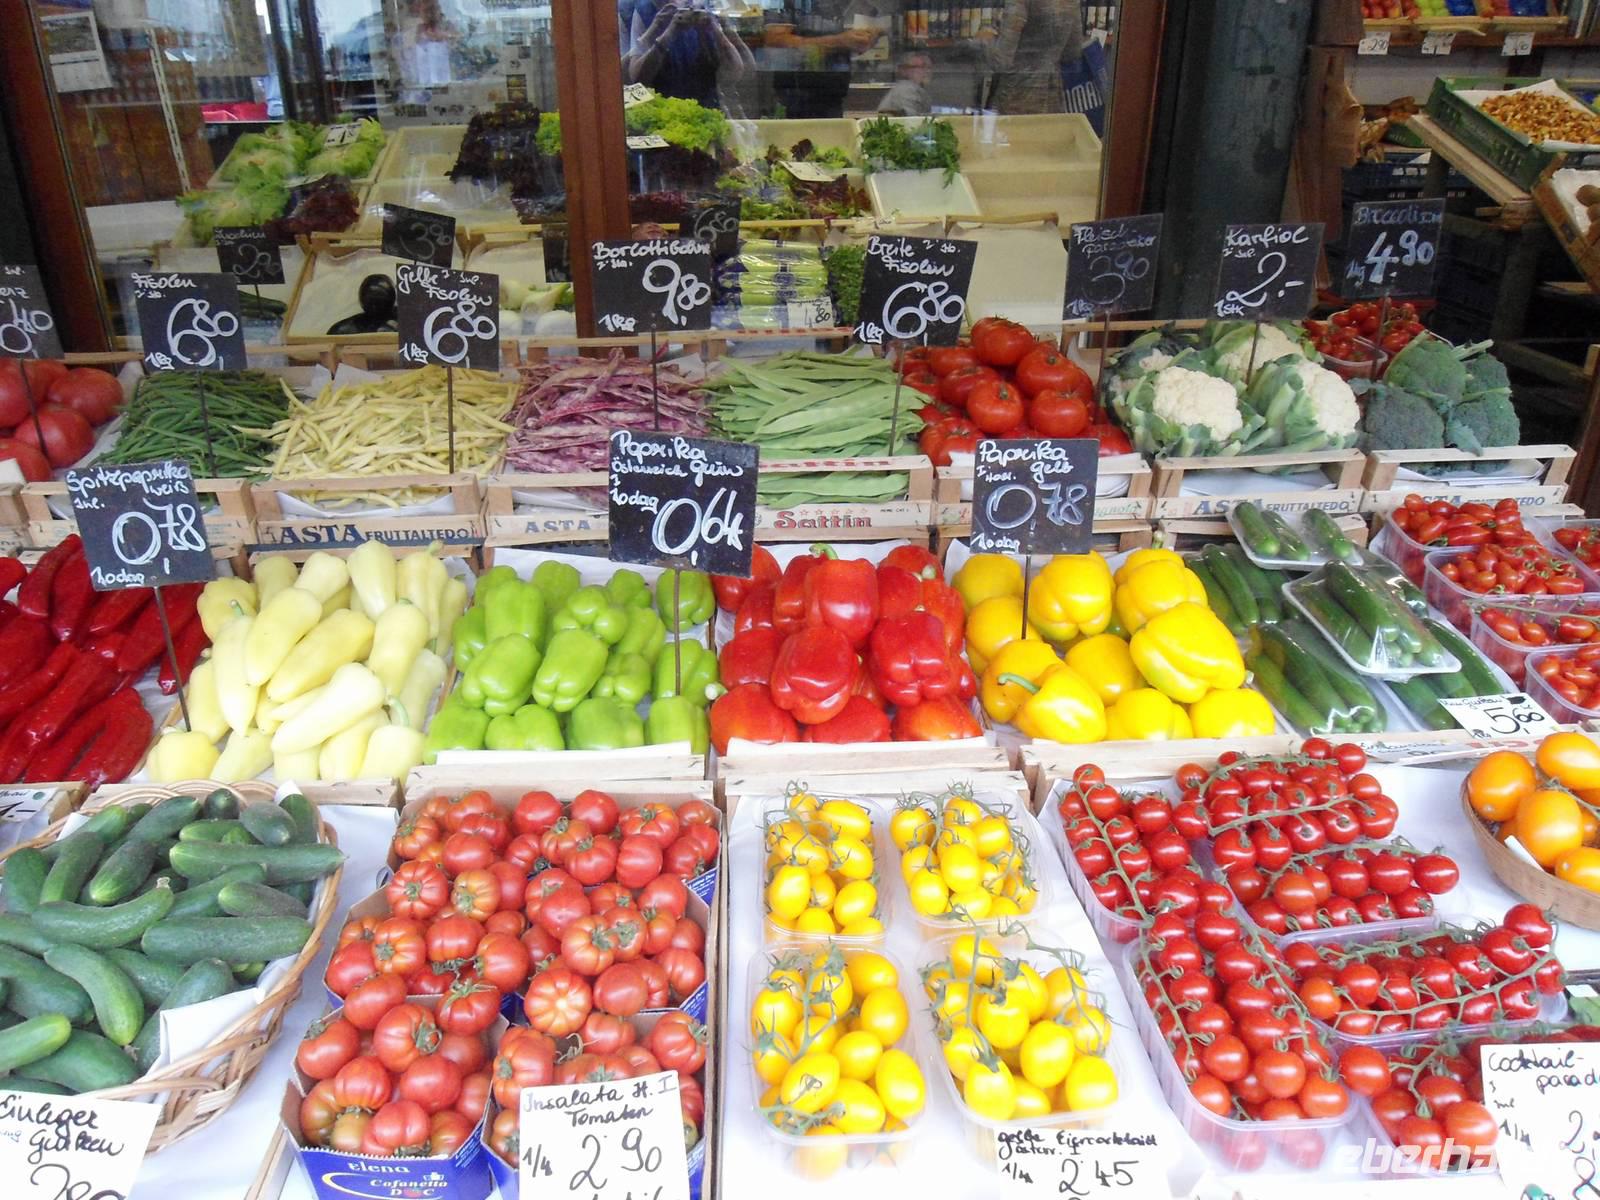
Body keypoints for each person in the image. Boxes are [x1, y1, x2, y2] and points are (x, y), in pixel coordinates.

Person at [764, 1, 883, 119]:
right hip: (793, 98)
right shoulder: (792, 4)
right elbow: (774, 40)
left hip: (834, 96)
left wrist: (873, 32)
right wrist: (839, 41)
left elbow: (881, 18)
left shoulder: (840, 5)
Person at [626, 1, 754, 109]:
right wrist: (665, 32)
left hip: (705, 110)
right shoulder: (645, 10)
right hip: (661, 113)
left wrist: (713, 30)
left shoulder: (710, 7)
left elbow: (735, 73)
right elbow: (637, 78)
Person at [978, 0, 1083, 115]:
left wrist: (985, 40)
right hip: (1052, 100)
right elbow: (1072, 51)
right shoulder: (1071, 2)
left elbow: (1001, 60)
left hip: (1015, 100)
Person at [877, 52, 932, 116]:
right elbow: (910, 121)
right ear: (904, 70)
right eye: (922, 66)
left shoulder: (916, 89)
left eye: (929, 67)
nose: (927, 71)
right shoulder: (906, 89)